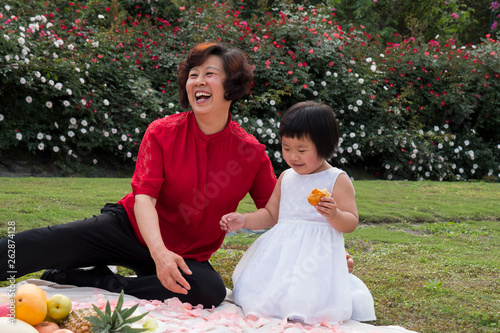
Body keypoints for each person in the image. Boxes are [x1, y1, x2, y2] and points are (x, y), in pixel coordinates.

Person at [0, 42, 278, 308]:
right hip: (127, 230)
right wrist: (159, 254)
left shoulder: (251, 153)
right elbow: (145, 197)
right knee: (42, 243)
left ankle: (93, 279)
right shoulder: (162, 132)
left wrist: (250, 220)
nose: (199, 81)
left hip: (184, 255)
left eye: (210, 74)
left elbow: (275, 211)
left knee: (209, 290)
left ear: (232, 85)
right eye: (193, 75)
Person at [220, 101, 376, 324]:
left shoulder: (336, 180)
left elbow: (350, 222)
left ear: (324, 146)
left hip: (316, 258)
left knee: (311, 300)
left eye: (302, 150)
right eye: (286, 148)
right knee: (267, 296)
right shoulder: (286, 177)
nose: (293, 157)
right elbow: (271, 215)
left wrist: (334, 215)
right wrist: (244, 219)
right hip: (281, 253)